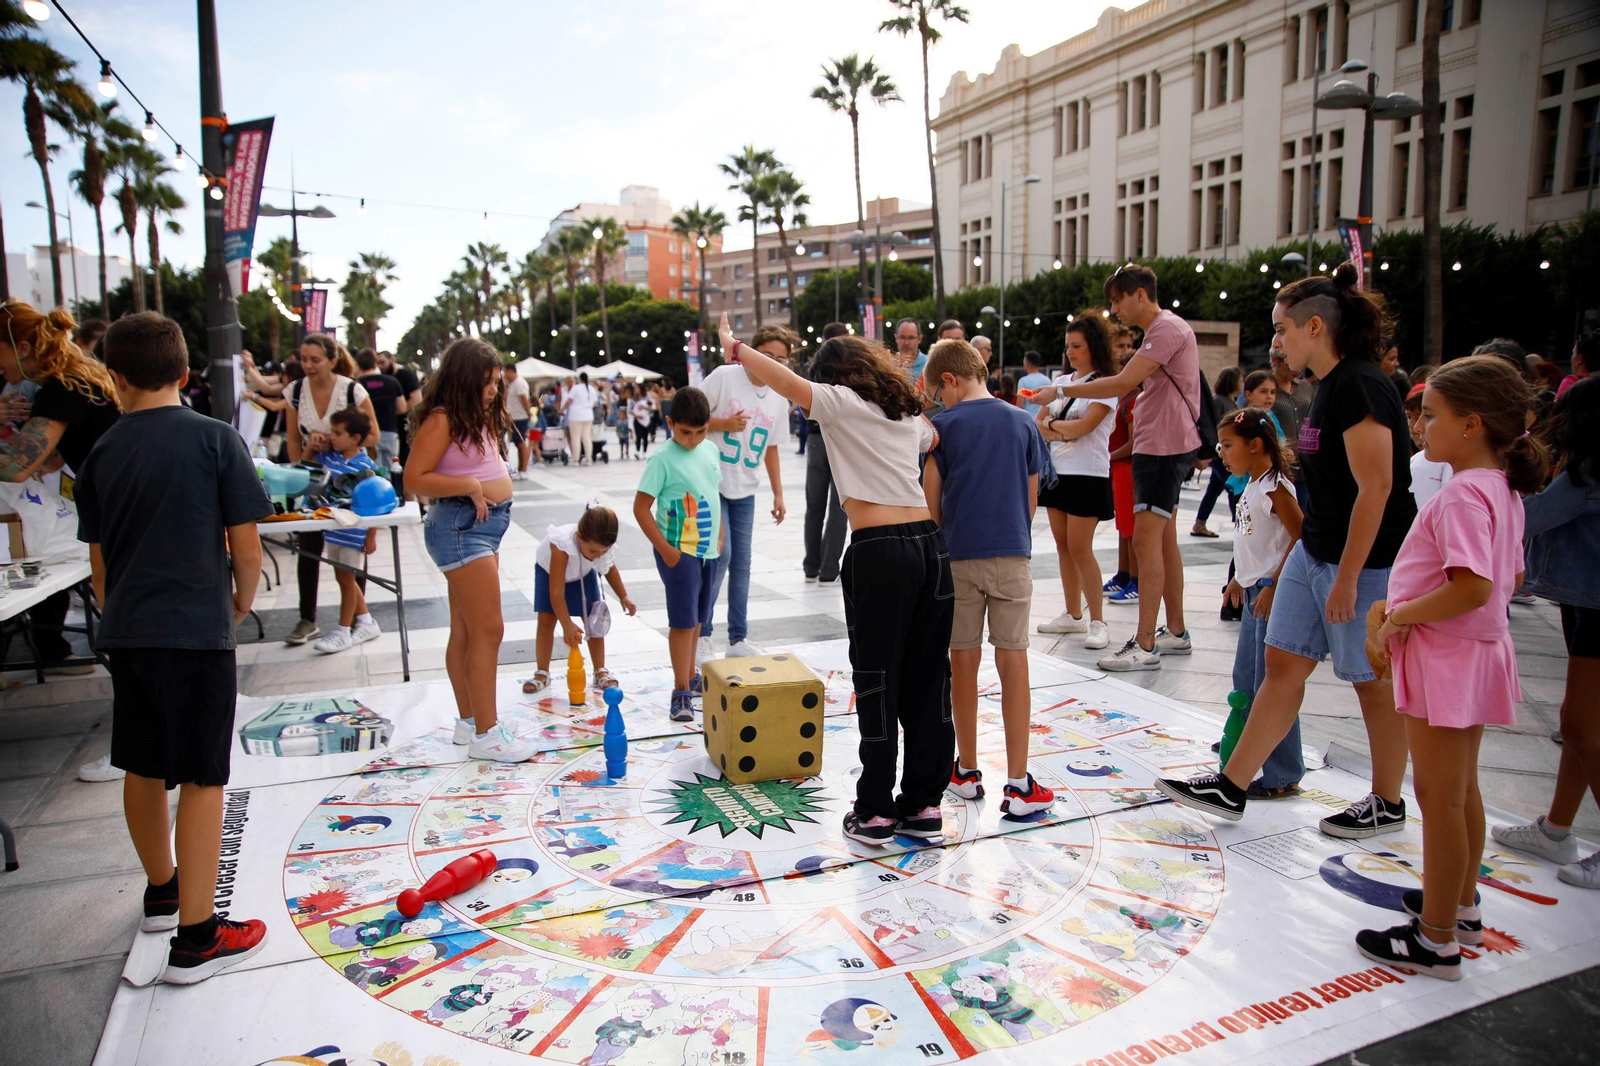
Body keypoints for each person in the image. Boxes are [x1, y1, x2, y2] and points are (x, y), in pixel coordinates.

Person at [1157, 262, 1417, 838]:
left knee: (1371, 681)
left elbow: (1377, 489)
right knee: (1282, 666)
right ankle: (1234, 784)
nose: (1275, 341)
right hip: (1315, 551)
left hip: (1364, 561)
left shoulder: (1362, 386)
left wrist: (1348, 578)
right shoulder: (1327, 389)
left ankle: (1387, 800)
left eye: (1281, 329)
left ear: (1315, 327)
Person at [76, 311, 272, 982]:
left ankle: (161, 889)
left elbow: (98, 565)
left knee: (142, 762)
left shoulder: (101, 451)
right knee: (201, 776)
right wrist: (241, 601)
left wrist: (116, 611)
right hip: (194, 630)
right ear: (185, 375)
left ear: (115, 379)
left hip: (127, 629)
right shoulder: (217, 440)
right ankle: (197, 935)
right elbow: (245, 547)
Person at [717, 312, 952, 847]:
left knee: (878, 681)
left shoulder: (842, 404)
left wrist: (734, 346)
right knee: (927, 682)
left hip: (880, 554)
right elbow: (933, 435)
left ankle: (874, 811)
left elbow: (785, 382)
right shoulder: (905, 416)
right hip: (930, 549)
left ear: (836, 377)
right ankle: (925, 804)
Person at [1356, 355, 1544, 979]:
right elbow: (1509, 578)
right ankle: (1460, 906)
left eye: (1431, 415)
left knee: (1439, 802)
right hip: (1477, 655)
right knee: (1462, 793)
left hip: (1446, 657)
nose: (1420, 425)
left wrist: (1399, 615)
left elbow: (1471, 586)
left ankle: (1435, 938)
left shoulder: (1464, 492)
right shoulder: (1501, 488)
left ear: (1472, 424)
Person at [1044, 264, 1200, 672]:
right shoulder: (1162, 331)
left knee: (1147, 544)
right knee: (1162, 542)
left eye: (1117, 299)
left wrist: (1061, 389)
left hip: (1162, 446)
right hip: (1159, 444)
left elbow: (1120, 384)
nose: (1114, 309)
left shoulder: (1166, 328)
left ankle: (1145, 643)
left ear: (1140, 294)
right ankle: (1175, 631)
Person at [923, 339, 1055, 817]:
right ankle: (1019, 783)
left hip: (958, 558)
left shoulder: (942, 430)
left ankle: (967, 769)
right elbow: (1032, 500)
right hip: (1012, 556)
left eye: (939, 392)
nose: (940, 401)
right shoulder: (1022, 422)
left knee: (963, 664)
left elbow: (931, 508)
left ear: (950, 380)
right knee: (1013, 659)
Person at [1492, 376, 1600, 888]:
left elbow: (1526, 518)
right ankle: (1557, 829)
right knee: (1583, 725)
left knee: (1580, 725)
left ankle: (1559, 830)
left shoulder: (1585, 474)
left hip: (1596, 608)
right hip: (1585, 602)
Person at [405, 338, 526, 762]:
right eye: (486, 382)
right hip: (461, 528)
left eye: (496, 381)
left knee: (467, 631)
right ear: (464, 380)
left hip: (478, 528)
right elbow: (414, 479)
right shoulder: (442, 419)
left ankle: (469, 721)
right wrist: (471, 486)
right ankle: (486, 733)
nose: (493, 389)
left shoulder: (473, 417)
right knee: (490, 630)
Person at [0, 301, 121, 680]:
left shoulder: (61, 387)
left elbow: (20, 468)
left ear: (21, 349)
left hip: (115, 506)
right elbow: (48, 461)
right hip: (123, 499)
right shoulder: (75, 376)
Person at [1217, 407, 1306, 798]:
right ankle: (1245, 745)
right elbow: (1256, 541)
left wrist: (1273, 583)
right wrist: (1240, 577)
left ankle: (1282, 772)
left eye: (1227, 445)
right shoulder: (1252, 484)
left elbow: (1300, 537)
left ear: (1255, 445)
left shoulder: (1275, 488)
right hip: (1254, 593)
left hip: (1272, 595)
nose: (1221, 453)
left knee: (1271, 686)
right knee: (1246, 680)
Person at [701, 325, 792, 660]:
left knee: (742, 562)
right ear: (751, 352)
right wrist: (723, 424)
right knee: (720, 557)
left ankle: (738, 639)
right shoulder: (725, 376)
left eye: (781, 359)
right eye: (766, 355)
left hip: (746, 489)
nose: (773, 363)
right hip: (712, 481)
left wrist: (778, 494)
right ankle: (702, 632)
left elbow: (771, 448)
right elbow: (689, 415)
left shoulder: (779, 396)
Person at [633, 386, 723, 723]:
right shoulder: (662, 458)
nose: (694, 439)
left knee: (699, 617)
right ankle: (680, 690)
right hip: (678, 552)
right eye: (686, 432)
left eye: (701, 431)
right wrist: (667, 550)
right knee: (682, 622)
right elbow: (641, 508)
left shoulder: (710, 450)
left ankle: (692, 676)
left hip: (707, 551)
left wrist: (721, 533)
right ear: (670, 423)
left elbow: (713, 493)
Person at [283, 334, 380, 646]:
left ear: (332, 361)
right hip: (314, 475)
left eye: (315, 359)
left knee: (348, 554)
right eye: (304, 359)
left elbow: (372, 435)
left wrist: (338, 443)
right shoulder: (295, 391)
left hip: (347, 476)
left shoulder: (352, 390)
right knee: (309, 546)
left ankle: (355, 619)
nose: (308, 365)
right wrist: (306, 461)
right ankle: (308, 618)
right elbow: (292, 441)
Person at [1034, 317, 1117, 651]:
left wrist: (1055, 425)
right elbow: (1038, 423)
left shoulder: (1105, 383)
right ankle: (1072, 613)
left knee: (1081, 547)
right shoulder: (1062, 381)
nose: (1071, 352)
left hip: (1088, 472)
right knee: (1062, 545)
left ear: (1094, 346)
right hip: (1058, 472)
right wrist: (1059, 427)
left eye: (1077, 346)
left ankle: (1098, 620)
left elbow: (1086, 427)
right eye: (1068, 346)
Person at [521, 503, 638, 696]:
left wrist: (623, 596)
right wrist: (566, 623)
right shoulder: (561, 544)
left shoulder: (598, 548)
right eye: (593, 551)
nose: (598, 556)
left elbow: (609, 568)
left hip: (582, 573)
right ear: (579, 538)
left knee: (595, 620)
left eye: (602, 552)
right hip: (550, 573)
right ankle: (542, 672)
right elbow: (556, 592)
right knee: (546, 620)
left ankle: (600, 670)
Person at [309, 408, 382, 655]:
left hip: (353, 531)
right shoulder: (329, 457)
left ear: (355, 438)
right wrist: (311, 448)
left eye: (338, 433)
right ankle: (365, 622)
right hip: (333, 529)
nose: (332, 437)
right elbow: (305, 468)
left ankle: (342, 630)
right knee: (343, 578)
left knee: (348, 579)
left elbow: (374, 505)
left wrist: (371, 535)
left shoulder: (366, 466)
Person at [803, 322, 851, 585]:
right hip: (840, 439)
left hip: (814, 440)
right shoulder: (849, 370)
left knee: (814, 507)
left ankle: (811, 566)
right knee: (838, 507)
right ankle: (829, 569)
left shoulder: (811, 369)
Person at [1191, 365, 1244, 538]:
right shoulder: (1219, 401)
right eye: (1241, 380)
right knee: (1233, 486)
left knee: (1214, 489)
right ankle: (1239, 525)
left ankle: (1199, 523)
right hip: (1220, 453)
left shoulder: (1230, 401)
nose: (1242, 383)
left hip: (1223, 452)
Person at [1103, 378, 1140, 603]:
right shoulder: (1125, 398)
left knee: (1131, 528)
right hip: (1119, 468)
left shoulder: (1133, 399)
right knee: (1123, 527)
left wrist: (1108, 456)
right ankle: (1124, 573)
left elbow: (1133, 442)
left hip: (1127, 468)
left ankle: (1136, 580)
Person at [1404, 383, 1452, 509]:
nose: (1415, 426)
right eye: (1409, 417)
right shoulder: (1416, 461)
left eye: (1427, 416)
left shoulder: (1452, 461)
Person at [501, 365, 533, 479]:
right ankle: (520, 469)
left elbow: (524, 399)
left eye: (505, 372)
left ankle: (523, 469)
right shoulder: (512, 383)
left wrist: (528, 413)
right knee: (517, 443)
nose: (504, 375)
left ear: (511, 371)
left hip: (519, 417)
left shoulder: (519, 383)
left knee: (521, 443)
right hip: (513, 417)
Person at [563, 371, 598, 464]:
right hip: (588, 415)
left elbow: (569, 401)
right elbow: (594, 402)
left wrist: (562, 409)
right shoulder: (591, 388)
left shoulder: (576, 388)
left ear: (580, 379)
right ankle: (588, 458)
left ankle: (576, 459)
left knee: (576, 438)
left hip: (576, 415)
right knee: (586, 437)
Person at [1558, 332, 1593, 399]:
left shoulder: (1571, 381)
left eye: (1573, 353)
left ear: (1579, 359)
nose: (1571, 358)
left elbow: (1558, 408)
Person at [1016, 351, 1051, 417]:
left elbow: (1020, 405)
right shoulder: (1047, 380)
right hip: (1043, 419)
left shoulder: (1023, 381)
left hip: (1029, 418)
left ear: (1027, 362)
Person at [893, 318, 927, 382]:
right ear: (896, 338)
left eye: (911, 338)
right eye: (902, 337)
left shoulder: (929, 364)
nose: (906, 343)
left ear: (920, 339)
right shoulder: (888, 366)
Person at [632, 387, 654, 456]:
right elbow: (630, 409)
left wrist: (643, 407)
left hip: (646, 420)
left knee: (645, 436)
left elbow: (651, 408)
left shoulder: (647, 398)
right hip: (637, 420)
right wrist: (637, 415)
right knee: (638, 436)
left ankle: (645, 451)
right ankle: (637, 451)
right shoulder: (634, 399)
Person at [615, 383, 633, 460]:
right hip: (621, 408)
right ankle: (622, 452)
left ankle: (627, 451)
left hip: (624, 409)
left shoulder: (627, 393)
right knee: (621, 443)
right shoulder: (620, 394)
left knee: (626, 442)